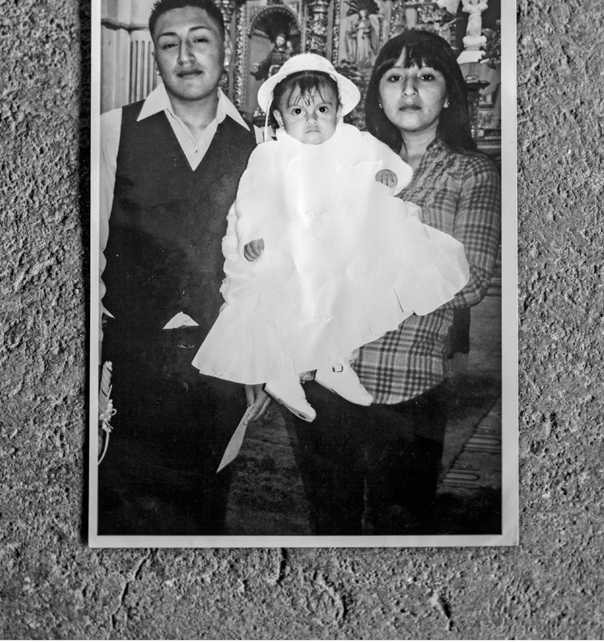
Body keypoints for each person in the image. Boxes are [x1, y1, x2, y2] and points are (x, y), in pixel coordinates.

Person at [291, 29, 501, 535]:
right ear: (378, 94)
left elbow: (469, 282)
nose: (409, 89)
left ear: (447, 92)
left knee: (400, 532)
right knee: (329, 525)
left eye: (425, 77)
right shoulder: (351, 163)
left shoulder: (470, 173)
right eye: (394, 77)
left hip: (406, 387)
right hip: (323, 381)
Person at [191, 53, 469, 423]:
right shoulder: (271, 154)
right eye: (298, 112)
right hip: (284, 242)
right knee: (283, 304)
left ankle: (333, 365)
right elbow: (252, 198)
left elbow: (384, 159)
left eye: (322, 109)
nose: (312, 120)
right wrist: (254, 233)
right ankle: (282, 373)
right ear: (278, 118)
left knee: (345, 300)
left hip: (335, 245)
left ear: (339, 113)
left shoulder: (352, 140)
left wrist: (387, 174)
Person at [98, 0, 269, 536]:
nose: (185, 56)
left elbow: (265, 265)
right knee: (123, 512)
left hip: (219, 366)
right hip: (130, 362)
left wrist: (257, 363)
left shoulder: (260, 145)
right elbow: (88, 255)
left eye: (200, 41)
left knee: (205, 513)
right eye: (169, 44)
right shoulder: (112, 130)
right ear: (155, 56)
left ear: (225, 49)